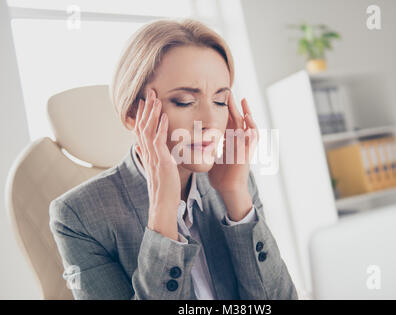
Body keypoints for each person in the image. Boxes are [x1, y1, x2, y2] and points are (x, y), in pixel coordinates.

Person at [49, 18, 298, 300]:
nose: (210, 121)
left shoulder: (236, 180)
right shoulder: (77, 216)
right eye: (184, 101)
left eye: (219, 101)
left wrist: (236, 196)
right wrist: (163, 215)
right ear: (133, 113)